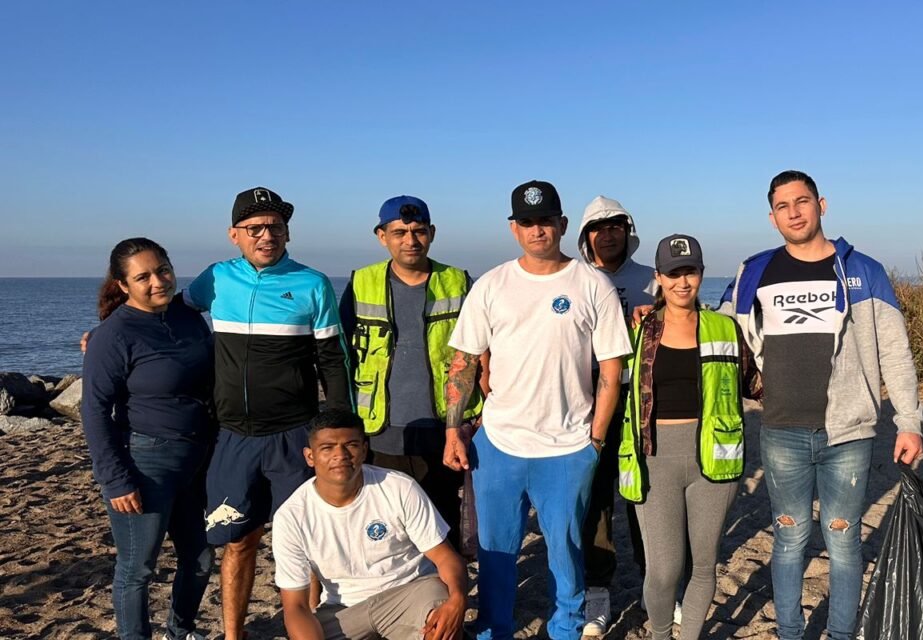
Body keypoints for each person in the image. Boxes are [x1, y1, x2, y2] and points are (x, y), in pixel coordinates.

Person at [719, 170, 923, 640]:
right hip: (781, 430)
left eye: (802, 201)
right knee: (789, 539)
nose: (794, 212)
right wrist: (659, 312)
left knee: (843, 541)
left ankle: (840, 634)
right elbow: (717, 332)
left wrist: (909, 422)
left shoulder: (864, 270)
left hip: (848, 433)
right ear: (772, 218)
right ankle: (789, 633)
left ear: (822, 205)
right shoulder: (755, 271)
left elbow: (895, 350)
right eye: (783, 206)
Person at [441, 180, 632, 639]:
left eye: (546, 221)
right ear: (514, 228)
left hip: (568, 447)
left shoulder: (593, 285)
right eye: (527, 222)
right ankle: (494, 629)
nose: (537, 230)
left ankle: (566, 628)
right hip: (499, 444)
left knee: (566, 554)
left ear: (562, 225)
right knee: (496, 550)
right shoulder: (491, 284)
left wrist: (596, 441)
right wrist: (453, 430)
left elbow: (612, 369)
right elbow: (464, 361)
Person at [186, 186, 353, 640]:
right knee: (238, 541)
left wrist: (338, 428)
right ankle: (233, 635)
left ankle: (319, 628)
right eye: (254, 228)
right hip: (231, 436)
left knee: (305, 541)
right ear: (234, 235)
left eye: (275, 227)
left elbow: (333, 360)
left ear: (287, 233)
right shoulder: (215, 279)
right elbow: (168, 317)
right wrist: (108, 332)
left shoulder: (312, 283)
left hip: (293, 434)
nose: (266, 235)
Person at [617, 234, 762, 640]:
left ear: (701, 274)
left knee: (703, 565)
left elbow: (755, 383)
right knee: (663, 571)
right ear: (659, 277)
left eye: (691, 272)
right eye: (674, 273)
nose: (683, 282)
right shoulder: (637, 329)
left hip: (715, 460)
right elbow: (606, 385)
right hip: (653, 460)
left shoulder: (725, 328)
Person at [82, 238, 215, 640]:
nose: (158, 281)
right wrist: (115, 479)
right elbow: (94, 411)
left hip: (199, 456)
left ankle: (180, 630)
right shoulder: (112, 335)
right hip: (146, 461)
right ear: (123, 286)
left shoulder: (188, 317)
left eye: (163, 270)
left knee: (200, 557)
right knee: (138, 568)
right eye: (143, 277)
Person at [339, 195, 484, 552]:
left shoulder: (458, 282)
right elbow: (338, 357)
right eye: (399, 232)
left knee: (442, 521)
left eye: (418, 231)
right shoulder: (361, 282)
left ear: (432, 233)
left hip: (445, 426)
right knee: (385, 525)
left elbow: (483, 351)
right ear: (381, 235)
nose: (410, 240)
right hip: (380, 428)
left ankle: (448, 598)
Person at [274, 409, 468, 640]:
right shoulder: (291, 516)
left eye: (351, 445)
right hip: (343, 609)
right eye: (327, 448)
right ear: (310, 456)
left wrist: (458, 599)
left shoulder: (399, 487)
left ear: (364, 450)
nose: (341, 455)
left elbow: (445, 556)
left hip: (409, 592)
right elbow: (296, 606)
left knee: (442, 624)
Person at [574, 195, 656, 634]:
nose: (608, 233)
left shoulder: (652, 278)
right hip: (589, 399)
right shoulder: (574, 277)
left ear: (628, 230)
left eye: (616, 225)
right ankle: (598, 591)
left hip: (643, 399)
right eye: (598, 226)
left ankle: (656, 586)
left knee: (646, 495)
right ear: (586, 235)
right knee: (596, 498)